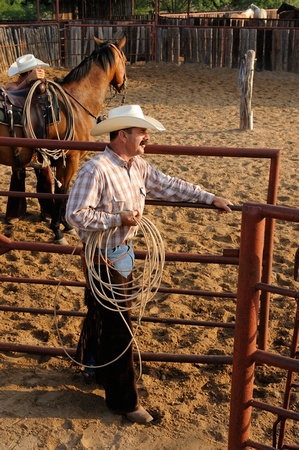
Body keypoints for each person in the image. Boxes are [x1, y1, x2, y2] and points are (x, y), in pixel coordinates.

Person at [65, 104, 233, 424]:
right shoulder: (96, 170)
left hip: (122, 254)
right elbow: (75, 215)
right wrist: (118, 218)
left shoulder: (138, 166)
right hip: (103, 257)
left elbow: (170, 184)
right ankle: (124, 402)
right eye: (142, 131)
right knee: (120, 328)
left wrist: (209, 198)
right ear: (123, 135)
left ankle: (93, 368)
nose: (147, 136)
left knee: (101, 313)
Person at [6, 53, 49, 168]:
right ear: (30, 73)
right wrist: (28, 81)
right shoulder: (12, 86)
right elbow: (12, 94)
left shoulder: (36, 88)